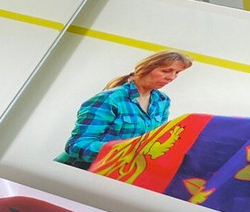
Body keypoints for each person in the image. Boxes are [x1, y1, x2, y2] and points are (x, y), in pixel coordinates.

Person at [55, 50, 193, 169]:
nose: (171, 77)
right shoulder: (110, 99)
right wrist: (125, 150)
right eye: (166, 71)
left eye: (177, 73)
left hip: (117, 173)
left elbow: (153, 140)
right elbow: (77, 145)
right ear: (146, 68)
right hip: (77, 171)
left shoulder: (162, 101)